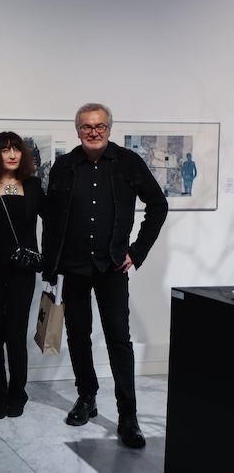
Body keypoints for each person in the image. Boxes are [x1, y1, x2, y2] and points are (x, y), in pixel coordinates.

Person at [43, 103, 168, 449]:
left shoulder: (128, 162)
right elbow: (52, 219)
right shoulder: (64, 166)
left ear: (109, 129)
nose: (93, 132)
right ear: (78, 130)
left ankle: (128, 415)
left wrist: (136, 252)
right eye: (86, 126)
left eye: (99, 126)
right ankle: (87, 397)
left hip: (112, 266)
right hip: (72, 267)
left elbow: (158, 205)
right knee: (78, 335)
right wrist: (50, 266)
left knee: (119, 340)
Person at [0, 132, 45, 419]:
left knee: (16, 335)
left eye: (16, 149)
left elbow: (55, 221)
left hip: (22, 272)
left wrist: (51, 261)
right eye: (5, 149)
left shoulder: (32, 186)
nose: (12, 154)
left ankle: (18, 393)